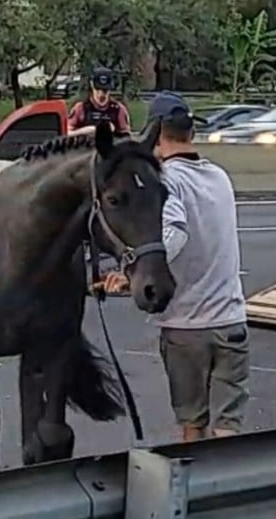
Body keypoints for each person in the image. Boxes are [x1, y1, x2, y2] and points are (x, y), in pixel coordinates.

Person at [103, 92, 248, 441]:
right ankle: (231, 488)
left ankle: (197, 492)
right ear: (191, 133)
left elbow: (175, 233)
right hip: (232, 322)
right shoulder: (219, 177)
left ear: (155, 134)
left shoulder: (166, 182)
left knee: (192, 427)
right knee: (228, 428)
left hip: (188, 328)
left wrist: (130, 277)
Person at [68, 66, 131, 136]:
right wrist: (88, 131)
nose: (101, 94)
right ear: (92, 85)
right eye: (98, 90)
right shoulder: (80, 108)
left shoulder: (118, 109)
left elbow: (127, 137)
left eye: (105, 91)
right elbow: (66, 133)